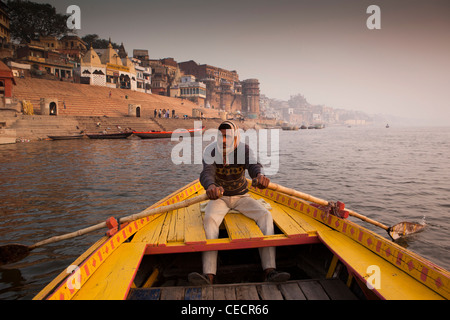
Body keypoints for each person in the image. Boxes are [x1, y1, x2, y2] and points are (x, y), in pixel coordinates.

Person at [188, 120, 290, 285]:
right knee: (210, 220)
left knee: (265, 216)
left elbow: (254, 165)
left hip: (242, 197)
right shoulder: (211, 150)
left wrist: (259, 176)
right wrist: (211, 186)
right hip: (219, 198)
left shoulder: (244, 149)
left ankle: (270, 271)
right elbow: (207, 173)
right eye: (221, 136)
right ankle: (209, 275)